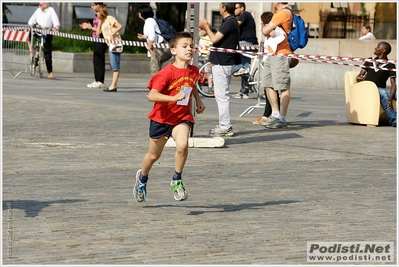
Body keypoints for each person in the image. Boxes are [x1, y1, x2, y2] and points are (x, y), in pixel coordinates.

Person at [133, 32, 206, 202]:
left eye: (191, 46)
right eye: (184, 46)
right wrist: (172, 98)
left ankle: (177, 180)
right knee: (153, 156)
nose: (189, 49)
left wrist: (198, 100)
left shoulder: (194, 70)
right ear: (173, 50)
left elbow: (191, 84)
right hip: (161, 118)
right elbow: (152, 95)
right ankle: (142, 179)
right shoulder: (166, 74)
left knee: (182, 144)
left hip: (182, 116)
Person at [199, 2, 240, 137]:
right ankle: (224, 124)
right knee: (221, 95)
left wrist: (206, 27)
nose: (219, 7)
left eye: (220, 5)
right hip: (223, 62)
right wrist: (209, 28)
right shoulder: (229, 22)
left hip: (223, 63)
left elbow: (215, 39)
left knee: (222, 96)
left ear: (224, 8)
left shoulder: (229, 22)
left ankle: (225, 126)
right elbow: (220, 38)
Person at [259, 2, 293, 129]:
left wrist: (267, 29)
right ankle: (275, 114)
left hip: (281, 54)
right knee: (268, 84)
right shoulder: (278, 13)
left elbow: (265, 30)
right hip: (272, 54)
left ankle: (281, 118)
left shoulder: (284, 12)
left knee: (283, 86)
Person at [356, 42, 396, 127]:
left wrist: (391, 98)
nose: (375, 48)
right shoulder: (370, 61)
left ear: (383, 50)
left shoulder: (390, 65)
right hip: (369, 88)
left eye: (378, 47)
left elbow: (393, 84)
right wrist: (359, 78)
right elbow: (359, 76)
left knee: (391, 93)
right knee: (384, 94)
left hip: (381, 88)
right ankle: (394, 120)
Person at [252, 11, 282, 125]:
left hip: (273, 62)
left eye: (262, 22)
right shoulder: (269, 34)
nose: (260, 24)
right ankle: (267, 114)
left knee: (272, 89)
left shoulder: (275, 33)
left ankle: (272, 114)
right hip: (267, 62)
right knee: (268, 89)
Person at [232, 2, 258, 99]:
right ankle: (244, 92)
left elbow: (235, 25)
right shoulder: (244, 16)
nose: (235, 10)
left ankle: (239, 70)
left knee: (236, 63)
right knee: (245, 67)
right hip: (247, 43)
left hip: (246, 43)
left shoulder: (245, 14)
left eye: (236, 8)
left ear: (242, 8)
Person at [27, 2, 60, 79]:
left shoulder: (51, 10)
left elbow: (55, 20)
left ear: (46, 5)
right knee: (28, 34)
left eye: (41, 5)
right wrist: (30, 26)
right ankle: (31, 49)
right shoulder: (38, 10)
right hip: (38, 29)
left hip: (47, 31)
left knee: (47, 51)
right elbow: (31, 20)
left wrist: (57, 28)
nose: (39, 6)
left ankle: (50, 72)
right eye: (39, 4)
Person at [137, 4, 172, 76]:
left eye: (139, 12)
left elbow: (152, 36)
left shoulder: (149, 21)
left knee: (154, 68)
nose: (138, 13)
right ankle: (159, 85)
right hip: (158, 45)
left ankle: (157, 86)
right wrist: (144, 36)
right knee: (156, 67)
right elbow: (152, 34)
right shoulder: (150, 21)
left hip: (158, 47)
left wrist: (149, 47)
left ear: (142, 13)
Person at [79, 2, 108, 89]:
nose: (92, 7)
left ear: (98, 5)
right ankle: (97, 79)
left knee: (99, 59)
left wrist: (90, 27)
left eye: (93, 5)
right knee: (95, 59)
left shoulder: (102, 15)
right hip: (95, 38)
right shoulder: (96, 15)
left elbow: (101, 30)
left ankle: (100, 80)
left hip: (101, 38)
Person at [96, 5, 123, 92]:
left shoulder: (109, 18)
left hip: (115, 43)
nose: (96, 14)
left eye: (97, 12)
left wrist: (112, 34)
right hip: (110, 45)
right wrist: (99, 23)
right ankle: (113, 85)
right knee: (113, 64)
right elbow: (98, 32)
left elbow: (119, 26)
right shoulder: (103, 21)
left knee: (115, 65)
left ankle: (113, 85)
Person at [198, 25, 216, 94]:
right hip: (200, 56)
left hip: (207, 58)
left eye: (203, 29)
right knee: (198, 72)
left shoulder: (210, 37)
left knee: (208, 73)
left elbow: (212, 46)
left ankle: (210, 88)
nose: (202, 31)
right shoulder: (200, 38)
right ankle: (198, 86)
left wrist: (210, 51)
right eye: (201, 29)